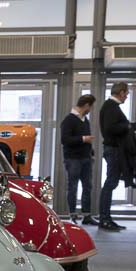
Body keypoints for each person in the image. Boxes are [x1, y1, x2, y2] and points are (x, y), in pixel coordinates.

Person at [98, 82, 136, 231]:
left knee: (111, 183)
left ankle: (107, 218)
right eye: (126, 93)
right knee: (110, 183)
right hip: (113, 150)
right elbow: (112, 128)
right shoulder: (111, 107)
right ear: (121, 92)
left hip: (114, 149)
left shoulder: (111, 107)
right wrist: (129, 127)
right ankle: (104, 219)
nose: (127, 96)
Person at [60, 94, 97, 225]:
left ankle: (87, 215)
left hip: (86, 158)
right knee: (73, 187)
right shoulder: (69, 120)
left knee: (87, 186)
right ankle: (73, 215)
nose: (91, 109)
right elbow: (64, 140)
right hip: (73, 159)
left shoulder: (84, 120)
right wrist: (83, 139)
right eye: (91, 106)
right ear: (86, 105)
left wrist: (90, 152)